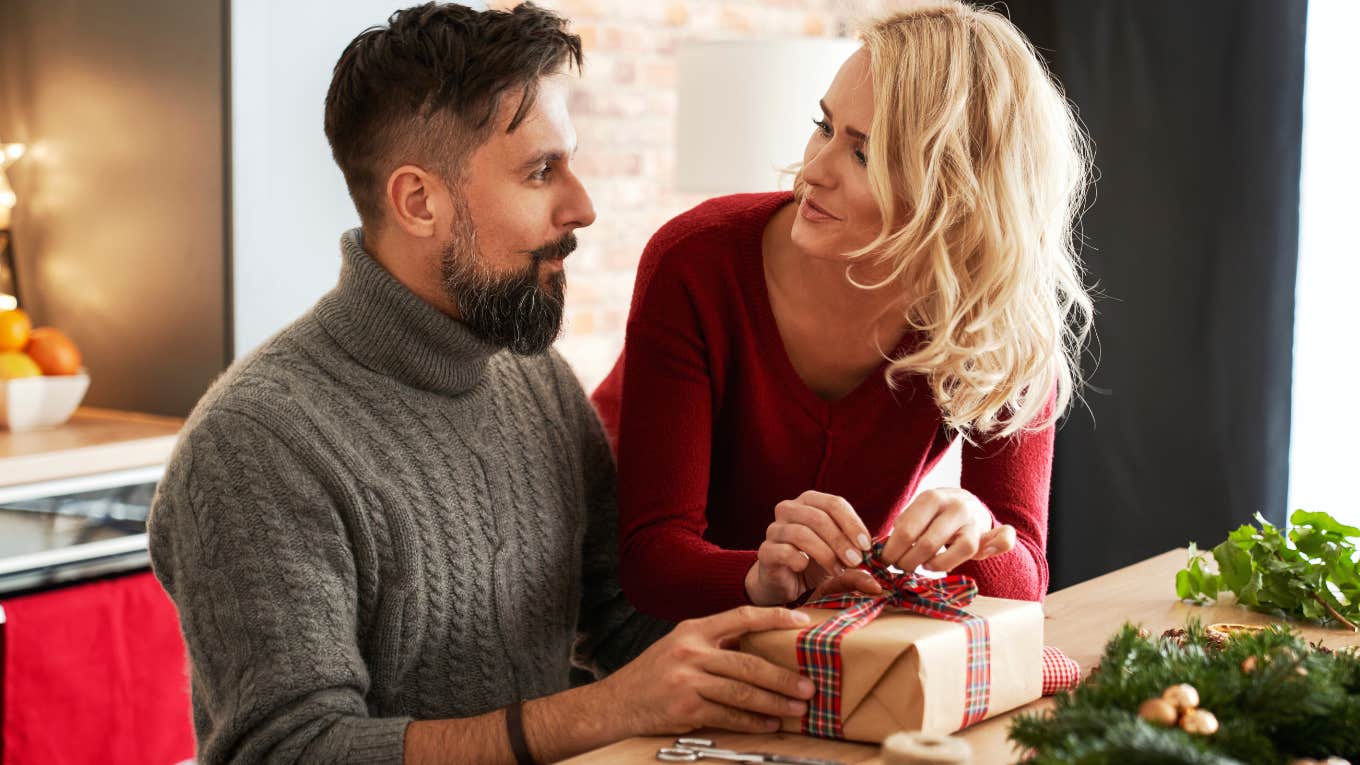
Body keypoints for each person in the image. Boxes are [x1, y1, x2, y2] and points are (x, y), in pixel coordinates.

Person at [148, 4, 821, 764]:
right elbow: (288, 750)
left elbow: (622, 620)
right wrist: (601, 709)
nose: (582, 206)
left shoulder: (535, 379)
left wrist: (770, 596)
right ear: (418, 201)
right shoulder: (255, 445)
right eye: (541, 171)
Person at [593, 0, 1094, 622]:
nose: (813, 170)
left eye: (864, 153)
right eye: (824, 126)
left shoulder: (997, 309)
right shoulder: (696, 261)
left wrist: (981, 534)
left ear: (956, 192)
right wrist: (759, 577)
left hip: (822, 617)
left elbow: (1026, 577)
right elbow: (653, 563)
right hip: (641, 604)